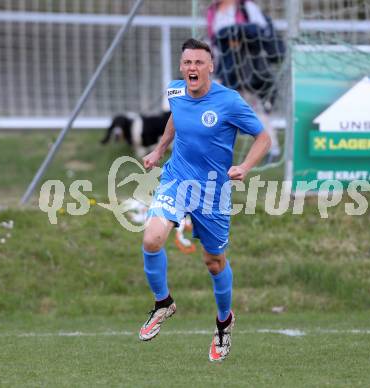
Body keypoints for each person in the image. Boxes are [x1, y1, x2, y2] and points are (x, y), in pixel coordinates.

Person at [138, 38, 271, 362]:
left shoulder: (229, 101)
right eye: (187, 63)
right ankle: (163, 303)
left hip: (213, 190)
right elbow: (175, 117)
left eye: (199, 63)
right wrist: (160, 149)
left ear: (210, 66)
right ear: (181, 66)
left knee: (213, 262)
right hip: (176, 179)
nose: (192, 68)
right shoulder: (175, 91)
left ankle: (224, 321)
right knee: (153, 239)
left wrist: (245, 166)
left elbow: (263, 137)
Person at [207, 0, 281, 160]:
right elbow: (214, 43)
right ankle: (212, 150)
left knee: (255, 109)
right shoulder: (213, 11)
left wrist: (240, 32)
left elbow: (263, 33)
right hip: (225, 69)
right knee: (216, 109)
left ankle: (271, 147)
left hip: (248, 68)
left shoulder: (247, 7)